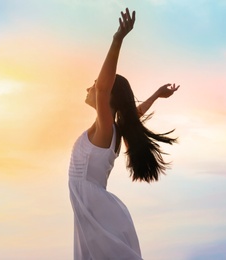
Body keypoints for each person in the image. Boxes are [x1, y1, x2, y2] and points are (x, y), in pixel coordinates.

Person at [68, 8, 179, 259]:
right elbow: (134, 113)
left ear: (105, 94)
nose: (90, 87)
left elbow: (106, 87)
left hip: (96, 208)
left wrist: (117, 39)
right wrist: (156, 96)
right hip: (95, 207)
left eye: (95, 85)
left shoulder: (105, 127)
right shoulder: (114, 130)